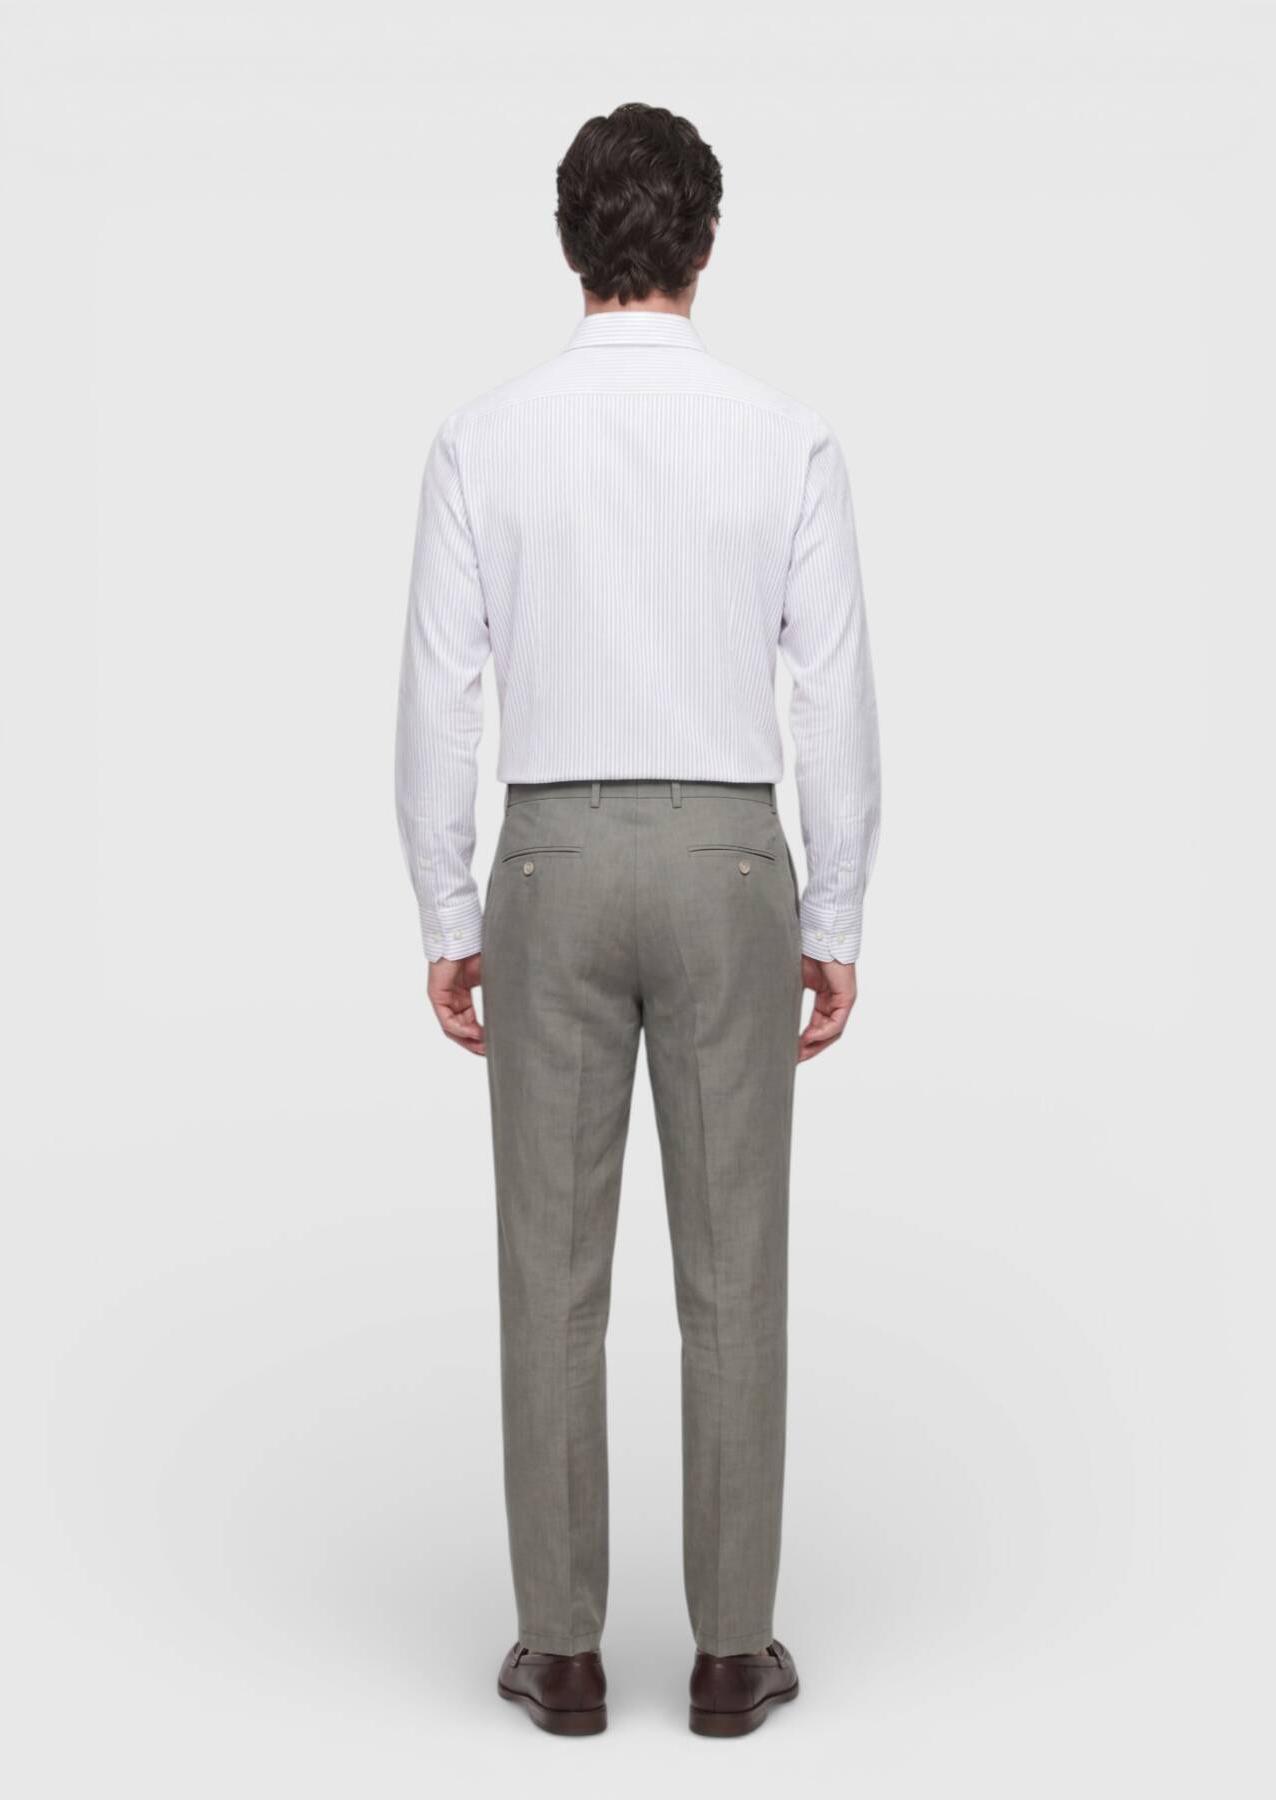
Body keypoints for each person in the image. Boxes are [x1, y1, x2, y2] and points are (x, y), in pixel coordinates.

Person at [395, 101, 880, 1738]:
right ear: (705, 243)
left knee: (550, 1276)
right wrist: (835, 908)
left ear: (568, 242)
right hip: (732, 864)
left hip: (548, 863)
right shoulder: (784, 439)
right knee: (734, 1275)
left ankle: (563, 1655)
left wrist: (447, 908)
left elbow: (438, 699)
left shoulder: (482, 440)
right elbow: (832, 699)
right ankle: (732, 1656)